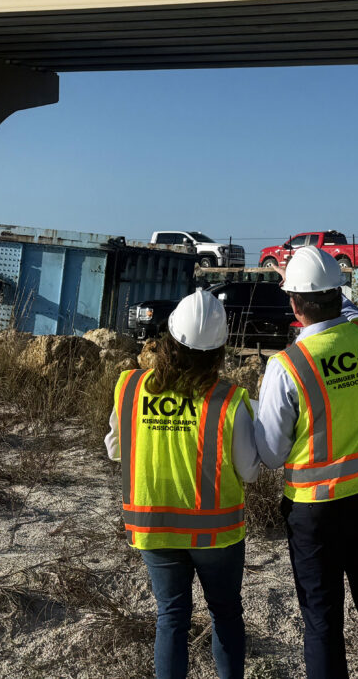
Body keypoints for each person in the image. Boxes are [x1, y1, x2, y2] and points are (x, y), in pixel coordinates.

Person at [255, 247, 358, 679]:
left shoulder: (288, 367)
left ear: (294, 304)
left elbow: (269, 454)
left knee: (323, 623)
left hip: (314, 513)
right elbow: (352, 311)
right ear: (337, 292)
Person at [105, 288, 259, 679]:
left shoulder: (130, 387)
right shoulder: (229, 401)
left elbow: (115, 450)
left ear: (169, 338)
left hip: (154, 526)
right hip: (216, 536)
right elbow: (251, 471)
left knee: (171, 616)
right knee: (225, 613)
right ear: (220, 350)